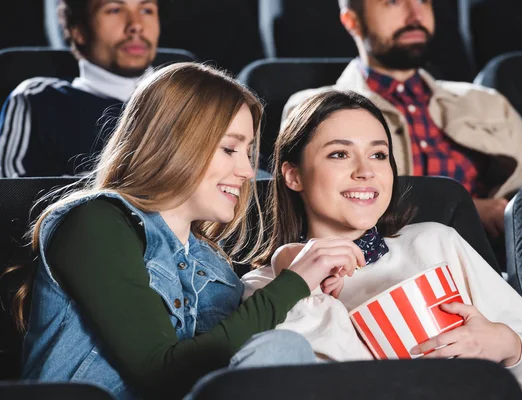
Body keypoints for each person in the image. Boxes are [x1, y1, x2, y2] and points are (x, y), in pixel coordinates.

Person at [10, 63, 367, 399]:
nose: (246, 171)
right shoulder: (95, 222)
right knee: (282, 348)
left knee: (282, 349)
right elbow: (161, 372)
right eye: (229, 148)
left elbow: (231, 354)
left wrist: (283, 269)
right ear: (176, 143)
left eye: (248, 152)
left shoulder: (212, 263)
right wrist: (294, 282)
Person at [244, 90, 522, 399]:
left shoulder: (434, 242)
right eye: (339, 154)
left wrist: (511, 348)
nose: (366, 171)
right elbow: (351, 387)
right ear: (293, 175)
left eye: (378, 154)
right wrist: (302, 286)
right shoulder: (263, 288)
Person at [282, 0, 522, 238]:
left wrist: (520, 211)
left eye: (424, 1)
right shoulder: (317, 109)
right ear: (352, 21)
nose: (416, 15)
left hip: (505, 255)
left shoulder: (483, 101)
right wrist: (463, 211)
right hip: (396, 263)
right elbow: (315, 208)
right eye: (393, 2)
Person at [0, 0, 160, 177]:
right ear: (78, 31)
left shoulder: (189, 97)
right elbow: (15, 196)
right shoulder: (39, 100)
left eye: (146, 10)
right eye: (114, 10)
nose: (136, 25)